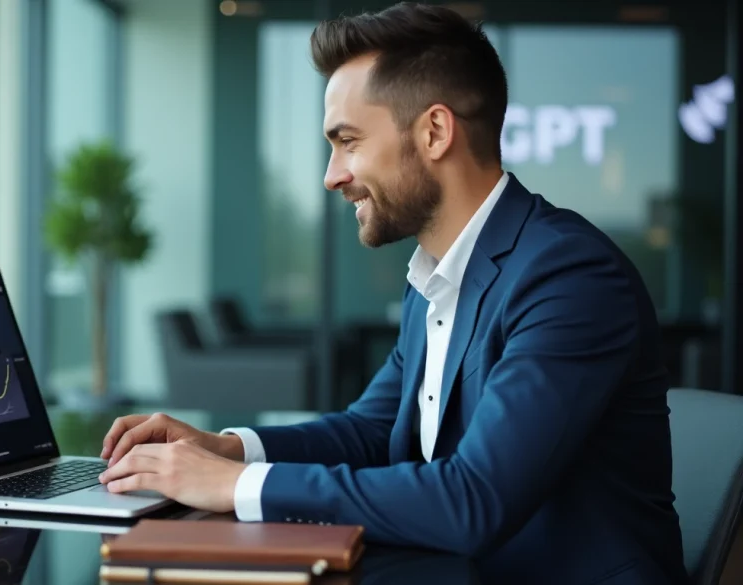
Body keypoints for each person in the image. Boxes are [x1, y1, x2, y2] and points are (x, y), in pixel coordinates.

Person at [96, 3, 689, 584]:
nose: (331, 174)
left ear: (434, 131)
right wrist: (229, 451)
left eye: (347, 141)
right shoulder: (435, 275)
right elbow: (374, 432)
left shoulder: (568, 276)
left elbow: (473, 499)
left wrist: (233, 488)